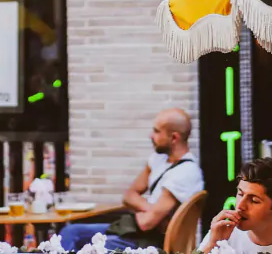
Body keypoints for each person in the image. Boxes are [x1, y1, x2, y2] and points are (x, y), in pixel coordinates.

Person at [59, 108, 204, 251]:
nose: (151, 136)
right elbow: (129, 195)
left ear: (174, 138)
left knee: (92, 248)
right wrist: (153, 210)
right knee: (70, 232)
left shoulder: (185, 173)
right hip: (135, 231)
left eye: (157, 131)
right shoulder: (158, 159)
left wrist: (148, 213)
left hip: (151, 242)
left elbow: (146, 223)